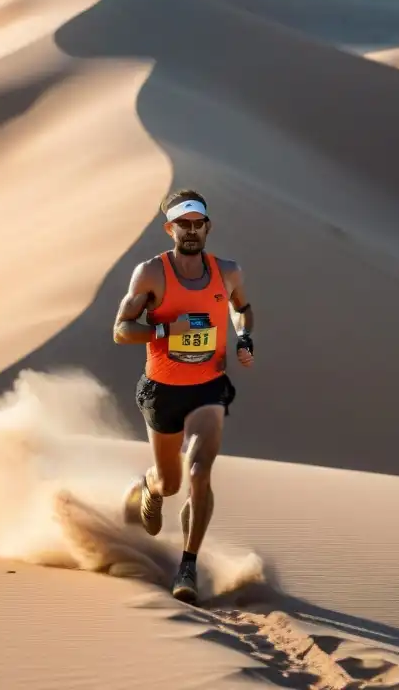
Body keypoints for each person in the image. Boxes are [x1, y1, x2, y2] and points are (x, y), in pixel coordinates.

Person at [112, 188, 255, 604]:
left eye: (198, 223)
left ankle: (187, 566)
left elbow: (242, 307)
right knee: (172, 481)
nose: (191, 231)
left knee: (200, 472)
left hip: (209, 386)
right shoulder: (150, 274)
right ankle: (150, 488)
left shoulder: (228, 271)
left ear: (207, 226)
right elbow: (121, 329)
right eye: (183, 224)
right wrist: (163, 330)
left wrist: (244, 336)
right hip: (163, 390)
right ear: (169, 228)